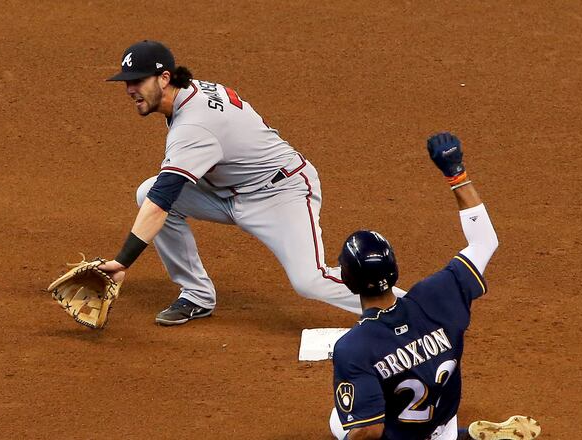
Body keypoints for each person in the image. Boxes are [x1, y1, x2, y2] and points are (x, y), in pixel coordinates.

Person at [98, 40, 405, 325]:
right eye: (127, 81)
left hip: (280, 193)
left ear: (164, 78)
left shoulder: (193, 125)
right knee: (147, 192)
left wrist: (122, 262)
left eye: (137, 80)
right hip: (229, 191)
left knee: (309, 280)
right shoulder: (187, 93)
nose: (129, 88)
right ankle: (197, 295)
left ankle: (411, 309)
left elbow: (161, 202)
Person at [328, 133, 540, 440]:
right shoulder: (439, 294)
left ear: (348, 282)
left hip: (404, 434)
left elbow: (370, 431)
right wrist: (457, 174)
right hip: (443, 421)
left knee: (341, 420)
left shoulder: (354, 347)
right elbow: (484, 242)